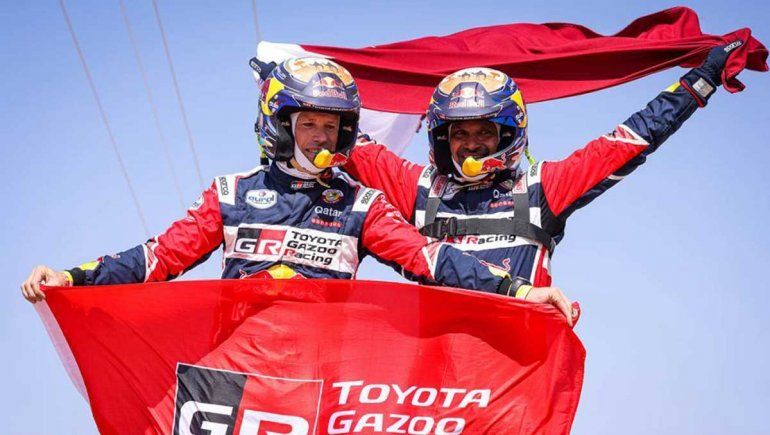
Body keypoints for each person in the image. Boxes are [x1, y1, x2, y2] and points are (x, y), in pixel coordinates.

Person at [21, 57, 577, 325]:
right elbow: (156, 260)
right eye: (308, 123)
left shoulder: (362, 205)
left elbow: (430, 259)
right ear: (280, 125)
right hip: (229, 372)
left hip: (318, 378)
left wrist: (519, 291)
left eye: (332, 126)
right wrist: (72, 277)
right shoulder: (230, 194)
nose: (321, 137)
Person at [255, 43, 741, 289]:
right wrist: (281, 85)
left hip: (516, 370)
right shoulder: (418, 187)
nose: (471, 145)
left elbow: (631, 138)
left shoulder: (543, 187)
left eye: (484, 132)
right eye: (459, 133)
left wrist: (700, 81)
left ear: (509, 134)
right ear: (441, 138)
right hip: (432, 378)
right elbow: (337, 135)